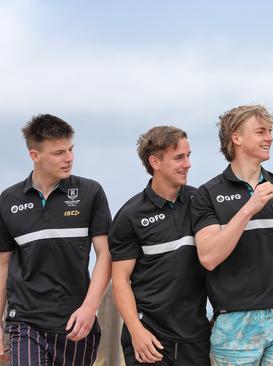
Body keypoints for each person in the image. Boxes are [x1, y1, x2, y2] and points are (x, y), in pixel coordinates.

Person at [191, 105, 273, 365]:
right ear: (236, 137)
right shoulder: (206, 194)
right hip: (235, 321)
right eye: (261, 131)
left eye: (270, 131)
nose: (270, 138)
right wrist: (249, 209)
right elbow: (209, 257)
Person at [0, 114, 112, 365]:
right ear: (34, 155)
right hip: (26, 320)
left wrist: (89, 308)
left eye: (71, 149)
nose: (69, 158)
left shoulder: (90, 193)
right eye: (59, 152)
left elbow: (105, 254)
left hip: (76, 324)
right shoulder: (8, 201)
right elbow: (2, 265)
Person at [109, 126, 211, 365]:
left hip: (195, 338)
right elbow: (120, 279)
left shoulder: (201, 202)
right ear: (155, 161)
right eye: (179, 158)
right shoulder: (130, 215)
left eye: (188, 156)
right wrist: (136, 331)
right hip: (149, 337)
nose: (187, 164)